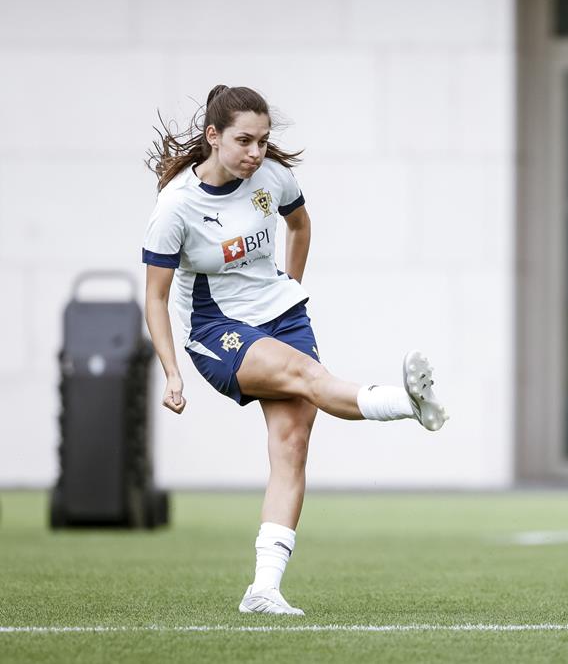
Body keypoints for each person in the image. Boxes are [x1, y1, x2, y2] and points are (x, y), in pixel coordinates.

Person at [143, 85, 448, 616]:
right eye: (244, 141)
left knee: (292, 443)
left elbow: (300, 225)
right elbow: (155, 297)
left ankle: (263, 590)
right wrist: (171, 372)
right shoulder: (176, 207)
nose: (255, 152)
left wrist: (290, 288)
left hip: (283, 315)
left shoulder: (273, 178)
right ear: (213, 136)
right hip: (219, 331)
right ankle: (406, 402)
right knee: (309, 377)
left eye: (262, 141)